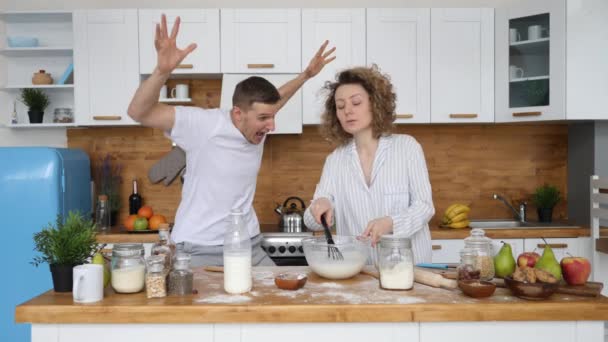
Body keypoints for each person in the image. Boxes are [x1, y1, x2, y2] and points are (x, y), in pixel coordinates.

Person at [127, 14, 336, 266]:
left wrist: (306, 75)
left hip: (247, 243)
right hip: (199, 247)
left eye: (271, 116)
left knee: (278, 300)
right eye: (263, 118)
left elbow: (276, 100)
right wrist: (162, 71)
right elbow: (138, 112)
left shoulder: (255, 122)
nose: (271, 125)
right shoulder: (204, 124)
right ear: (238, 113)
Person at [303, 65, 434, 264]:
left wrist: (390, 223)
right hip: (360, 272)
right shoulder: (335, 160)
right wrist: (319, 207)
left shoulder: (407, 147)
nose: (347, 110)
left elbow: (425, 207)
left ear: (375, 103)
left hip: (411, 269)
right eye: (340, 106)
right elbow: (312, 222)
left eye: (356, 102)